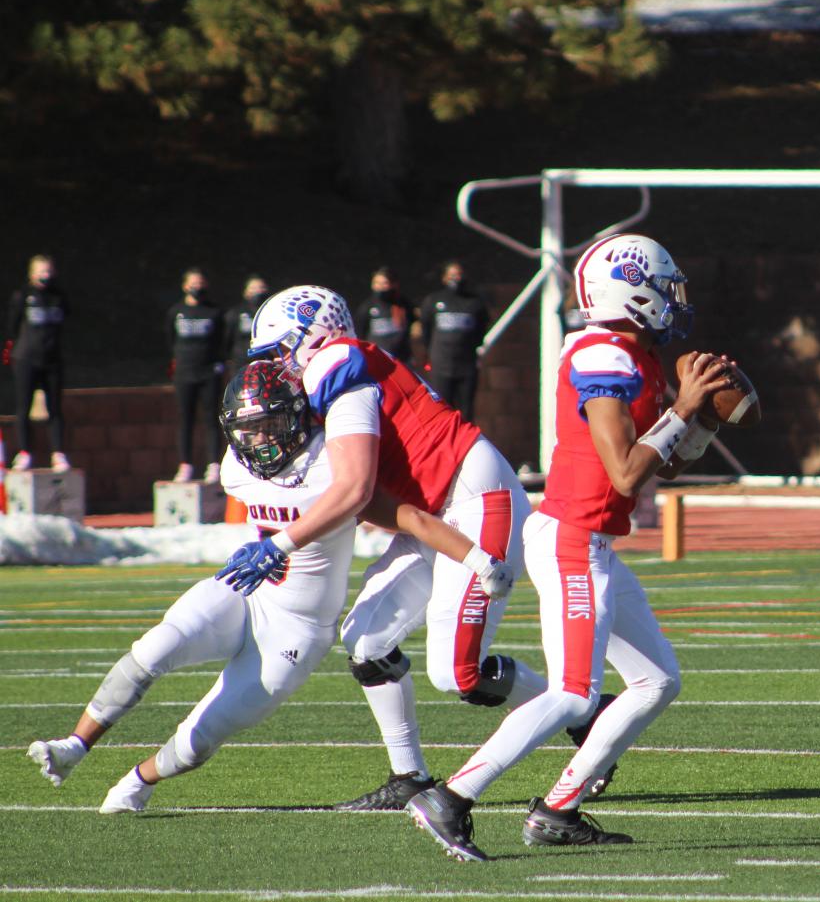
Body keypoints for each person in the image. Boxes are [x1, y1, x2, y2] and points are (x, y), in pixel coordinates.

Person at [24, 362, 506, 812]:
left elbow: (410, 518)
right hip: (245, 593)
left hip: (296, 631)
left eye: (267, 425)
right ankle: (74, 745)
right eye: (245, 429)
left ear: (296, 418)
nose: (256, 439)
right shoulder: (237, 467)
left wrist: (479, 558)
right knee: (154, 648)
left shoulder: (334, 469)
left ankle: (138, 781)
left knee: (201, 737)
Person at [404, 232, 728, 860]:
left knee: (657, 681)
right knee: (575, 691)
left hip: (595, 541)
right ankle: (452, 797)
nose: (673, 300)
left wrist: (701, 421)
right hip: (572, 539)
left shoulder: (638, 355)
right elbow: (626, 471)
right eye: (664, 288)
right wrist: (683, 407)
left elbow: (663, 467)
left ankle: (559, 808)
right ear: (632, 293)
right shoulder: (600, 353)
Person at [236, 284, 544, 812]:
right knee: (366, 639)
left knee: (457, 675)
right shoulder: (335, 378)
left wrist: (282, 544)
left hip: (472, 498)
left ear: (309, 337)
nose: (275, 369)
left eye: (278, 352)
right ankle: (410, 775)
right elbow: (372, 502)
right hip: (435, 511)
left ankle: (578, 709)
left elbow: (354, 491)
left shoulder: (336, 365)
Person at [5, 254, 70, 471]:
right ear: (32, 273)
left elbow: (65, 322)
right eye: (41, 271)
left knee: (55, 408)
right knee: (24, 407)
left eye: (49, 271)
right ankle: (25, 453)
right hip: (26, 360)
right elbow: (13, 326)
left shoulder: (58, 297)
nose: (45, 275)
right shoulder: (22, 295)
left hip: (52, 361)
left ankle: (58, 454)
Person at [167, 267, 226, 483]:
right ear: (184, 286)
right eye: (193, 283)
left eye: (200, 283)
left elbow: (222, 339)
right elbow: (171, 339)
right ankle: (185, 465)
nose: (197, 287)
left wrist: (217, 364)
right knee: (185, 418)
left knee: (211, 418)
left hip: (208, 372)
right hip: (184, 372)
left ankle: (213, 465)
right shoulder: (176, 312)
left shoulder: (214, 312)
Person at [419, 261, 488, 421]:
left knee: (465, 411)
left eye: (459, 275)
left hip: (466, 366)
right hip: (441, 366)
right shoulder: (433, 301)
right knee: (441, 408)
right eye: (451, 275)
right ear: (444, 278)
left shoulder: (475, 303)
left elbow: (481, 330)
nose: (455, 279)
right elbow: (426, 329)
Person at [355, 266, 415, 364]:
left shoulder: (404, 305)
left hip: (401, 359)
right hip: (376, 358)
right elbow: (360, 332)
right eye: (377, 283)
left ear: (394, 284)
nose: (380, 287)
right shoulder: (367, 306)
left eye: (385, 283)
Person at [223, 275, 270, 368]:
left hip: (265, 362)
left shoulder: (271, 312)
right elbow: (227, 338)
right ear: (246, 292)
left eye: (261, 288)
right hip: (241, 363)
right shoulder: (235, 313)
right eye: (253, 288)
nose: (258, 291)